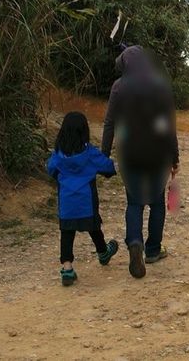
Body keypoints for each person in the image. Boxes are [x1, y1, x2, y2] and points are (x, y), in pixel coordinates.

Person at [101, 45, 179, 279]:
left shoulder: (119, 87)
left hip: (130, 154)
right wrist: (174, 158)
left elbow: (109, 123)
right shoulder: (160, 84)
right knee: (156, 203)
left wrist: (103, 157)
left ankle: (135, 242)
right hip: (157, 154)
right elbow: (168, 126)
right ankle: (153, 250)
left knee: (134, 204)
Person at [47, 111, 119, 286]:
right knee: (94, 227)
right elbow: (108, 168)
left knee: (66, 234)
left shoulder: (58, 154)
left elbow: (51, 169)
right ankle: (103, 253)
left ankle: (67, 268)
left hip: (66, 202)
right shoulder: (89, 153)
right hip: (86, 200)